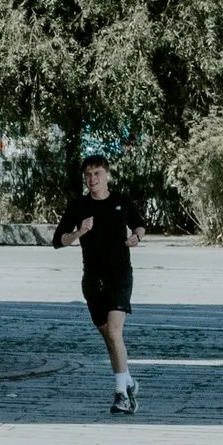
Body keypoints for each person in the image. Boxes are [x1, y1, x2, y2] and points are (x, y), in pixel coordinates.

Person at [53, 151, 138, 413]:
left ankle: (121, 395)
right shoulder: (78, 206)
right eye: (88, 175)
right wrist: (80, 231)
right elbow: (58, 241)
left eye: (97, 173)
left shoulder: (122, 201)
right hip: (92, 279)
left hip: (120, 275)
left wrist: (137, 236)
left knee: (114, 333)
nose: (93, 179)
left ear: (107, 175)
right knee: (109, 337)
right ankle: (129, 381)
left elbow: (140, 225)